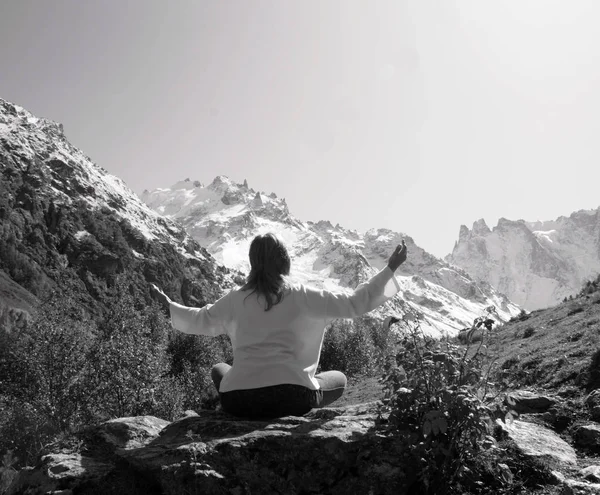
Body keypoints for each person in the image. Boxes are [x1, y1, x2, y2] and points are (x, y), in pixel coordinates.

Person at [151, 233, 407, 419]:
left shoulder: (234, 299)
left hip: (239, 401)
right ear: (284, 262)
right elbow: (354, 304)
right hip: (291, 398)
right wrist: (390, 269)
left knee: (220, 369)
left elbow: (199, 319)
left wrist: (168, 305)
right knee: (338, 378)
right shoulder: (303, 295)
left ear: (252, 262)